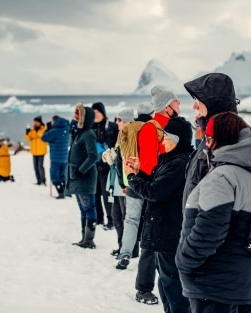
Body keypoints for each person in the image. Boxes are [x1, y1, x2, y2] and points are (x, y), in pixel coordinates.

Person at [176, 112, 251, 313]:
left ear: (221, 139)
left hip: (215, 284)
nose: (206, 144)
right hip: (245, 280)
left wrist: (183, 262)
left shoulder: (222, 177)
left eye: (209, 138)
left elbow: (209, 231)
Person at [117, 85, 181, 306]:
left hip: (162, 189)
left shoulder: (168, 126)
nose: (180, 104)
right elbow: (150, 164)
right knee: (150, 241)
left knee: (157, 240)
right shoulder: (152, 128)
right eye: (176, 101)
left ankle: (159, 286)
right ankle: (143, 288)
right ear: (166, 106)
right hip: (152, 190)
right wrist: (156, 184)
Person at [124, 117, 193, 313]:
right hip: (165, 231)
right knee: (166, 285)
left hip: (169, 232)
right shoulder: (172, 160)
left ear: (178, 139)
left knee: (173, 286)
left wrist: (131, 178)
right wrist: (139, 173)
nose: (163, 141)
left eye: (167, 138)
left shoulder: (179, 164)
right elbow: (157, 184)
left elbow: (155, 192)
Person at [182, 73, 239, 206]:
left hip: (204, 224)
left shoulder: (224, 140)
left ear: (213, 103)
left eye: (197, 101)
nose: (194, 107)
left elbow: (220, 203)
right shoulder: (212, 135)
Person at [66, 103, 98, 249]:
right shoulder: (79, 133)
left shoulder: (89, 134)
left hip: (85, 177)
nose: (75, 116)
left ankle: (89, 240)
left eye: (78, 114)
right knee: (83, 208)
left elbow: (93, 156)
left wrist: (81, 170)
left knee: (89, 207)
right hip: (77, 177)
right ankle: (84, 238)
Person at [108, 108, 139, 258]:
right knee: (118, 217)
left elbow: (129, 160)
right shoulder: (122, 136)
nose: (116, 123)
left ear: (126, 121)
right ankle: (123, 247)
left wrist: (126, 183)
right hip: (120, 182)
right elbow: (119, 158)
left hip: (128, 183)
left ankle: (130, 250)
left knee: (128, 218)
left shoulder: (131, 137)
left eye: (119, 120)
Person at [92, 102, 119, 229]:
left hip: (106, 167)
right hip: (93, 167)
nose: (95, 115)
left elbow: (116, 145)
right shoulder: (91, 127)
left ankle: (111, 220)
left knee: (107, 194)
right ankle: (98, 219)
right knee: (95, 194)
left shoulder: (111, 126)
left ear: (103, 113)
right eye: (94, 113)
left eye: (98, 112)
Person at [42, 115, 70, 199]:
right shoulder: (67, 129)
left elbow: (44, 138)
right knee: (63, 175)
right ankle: (66, 191)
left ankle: (61, 192)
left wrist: (48, 129)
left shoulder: (54, 131)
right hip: (65, 157)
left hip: (55, 158)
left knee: (54, 176)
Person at [25, 116, 48, 185]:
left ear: (39, 122)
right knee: (35, 167)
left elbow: (41, 135)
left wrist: (35, 132)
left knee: (40, 166)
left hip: (41, 151)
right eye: (34, 122)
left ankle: (43, 180)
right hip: (34, 151)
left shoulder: (44, 129)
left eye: (36, 122)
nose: (34, 123)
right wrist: (27, 133)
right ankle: (38, 180)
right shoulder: (32, 130)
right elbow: (28, 139)